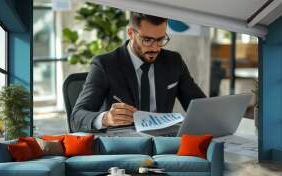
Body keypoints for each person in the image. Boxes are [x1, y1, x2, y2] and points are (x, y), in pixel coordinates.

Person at [71, 12, 206, 132]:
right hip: (124, 146)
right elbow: (76, 117)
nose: (155, 48)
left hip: (163, 143)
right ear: (130, 33)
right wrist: (106, 118)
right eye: (147, 40)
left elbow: (201, 106)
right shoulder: (105, 65)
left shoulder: (174, 61)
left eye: (160, 39)